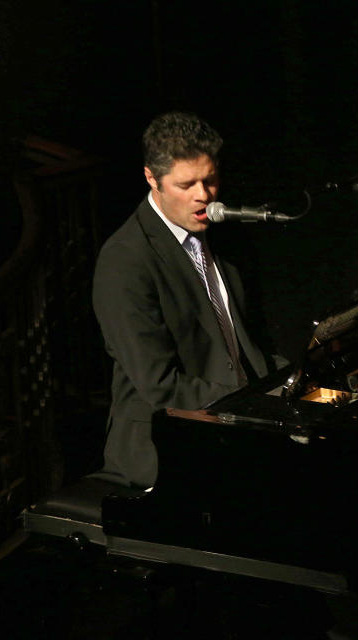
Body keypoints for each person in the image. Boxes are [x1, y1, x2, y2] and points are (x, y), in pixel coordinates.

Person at [92, 111, 280, 488]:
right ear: (152, 178)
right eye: (187, 184)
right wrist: (254, 406)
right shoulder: (125, 260)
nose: (204, 195)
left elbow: (246, 348)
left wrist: (301, 382)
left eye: (209, 180)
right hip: (167, 445)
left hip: (234, 423)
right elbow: (161, 386)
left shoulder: (221, 237)